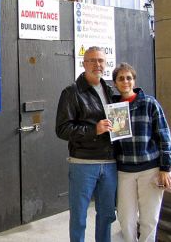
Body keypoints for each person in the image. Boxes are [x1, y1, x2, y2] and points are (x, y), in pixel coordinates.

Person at [56, 46, 117, 242]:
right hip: (83, 163)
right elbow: (62, 129)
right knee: (79, 217)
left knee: (107, 215)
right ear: (84, 64)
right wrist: (93, 130)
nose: (97, 64)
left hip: (109, 163)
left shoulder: (109, 89)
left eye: (100, 60)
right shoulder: (71, 92)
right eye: (92, 60)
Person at [112, 62, 171, 242]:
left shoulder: (149, 103)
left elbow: (164, 135)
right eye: (121, 78)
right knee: (126, 218)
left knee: (149, 219)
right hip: (125, 171)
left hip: (150, 170)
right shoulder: (113, 108)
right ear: (115, 83)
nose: (125, 81)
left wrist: (165, 168)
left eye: (129, 78)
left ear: (134, 80)